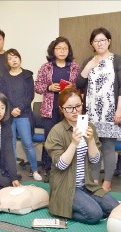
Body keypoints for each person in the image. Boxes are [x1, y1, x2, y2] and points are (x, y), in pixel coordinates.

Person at [45, 87, 119, 224]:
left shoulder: (89, 126)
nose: (74, 111)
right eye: (69, 108)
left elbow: (95, 160)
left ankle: (85, 202)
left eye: (78, 106)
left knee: (115, 208)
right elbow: (61, 165)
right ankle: (60, 207)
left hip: (87, 185)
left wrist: (90, 141)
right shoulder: (56, 131)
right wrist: (73, 143)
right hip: (66, 186)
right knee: (95, 215)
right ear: (61, 109)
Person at [76, 28, 121, 192]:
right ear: (92, 43)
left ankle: (107, 183)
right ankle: (94, 181)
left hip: (110, 112)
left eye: (103, 40)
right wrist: (89, 66)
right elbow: (79, 84)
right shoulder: (88, 61)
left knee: (107, 148)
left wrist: (119, 109)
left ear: (109, 41)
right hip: (90, 113)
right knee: (92, 147)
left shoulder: (117, 60)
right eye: (96, 40)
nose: (99, 43)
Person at [34, 37, 80, 182]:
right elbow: (37, 87)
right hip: (50, 109)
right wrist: (49, 87)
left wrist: (72, 88)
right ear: (53, 51)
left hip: (69, 110)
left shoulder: (75, 67)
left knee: (68, 138)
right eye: (59, 48)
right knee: (50, 140)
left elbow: (82, 87)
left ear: (69, 51)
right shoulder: (46, 67)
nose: (62, 51)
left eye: (65, 48)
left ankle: (67, 168)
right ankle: (49, 169)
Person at [0, 48, 41, 181]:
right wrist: (11, 109)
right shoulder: (4, 76)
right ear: (7, 62)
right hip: (9, 115)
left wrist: (19, 109)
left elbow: (30, 95)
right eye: (10, 58)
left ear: (19, 58)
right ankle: (12, 172)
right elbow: (3, 96)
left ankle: (35, 170)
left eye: (15, 57)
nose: (14, 60)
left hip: (24, 114)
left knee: (28, 143)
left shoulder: (27, 75)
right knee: (10, 144)